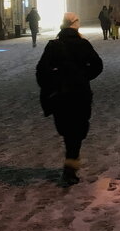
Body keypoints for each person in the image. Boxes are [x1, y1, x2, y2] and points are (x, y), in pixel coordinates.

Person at [36, 12, 103, 184]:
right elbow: (97, 66)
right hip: (80, 94)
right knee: (77, 131)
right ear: (75, 25)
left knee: (68, 130)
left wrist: (54, 83)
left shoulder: (54, 46)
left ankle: (70, 164)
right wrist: (83, 76)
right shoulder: (83, 44)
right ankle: (71, 165)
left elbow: (41, 71)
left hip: (60, 96)